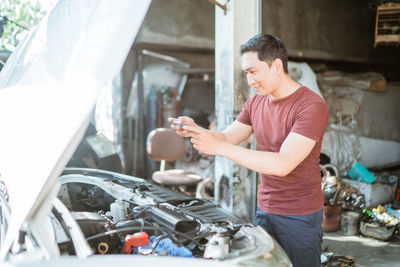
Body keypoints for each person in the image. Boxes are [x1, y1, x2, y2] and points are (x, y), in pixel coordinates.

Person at [169, 33, 328, 267]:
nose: (249, 80)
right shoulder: (255, 103)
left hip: (299, 215)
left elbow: (282, 164)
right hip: (265, 209)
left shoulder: (311, 106)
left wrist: (220, 148)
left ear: (276, 66)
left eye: (253, 71)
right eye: (246, 73)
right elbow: (226, 137)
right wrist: (196, 130)